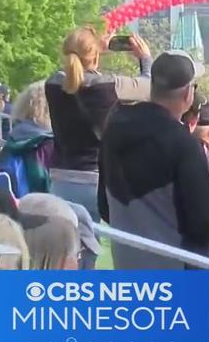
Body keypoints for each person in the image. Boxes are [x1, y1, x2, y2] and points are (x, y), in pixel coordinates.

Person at [98, 50, 209, 342]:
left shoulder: (113, 132)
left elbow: (104, 204)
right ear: (188, 95)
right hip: (179, 281)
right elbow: (202, 221)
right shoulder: (183, 145)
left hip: (128, 272)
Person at [45, 27, 152, 221]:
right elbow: (148, 86)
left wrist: (93, 51)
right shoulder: (107, 85)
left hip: (60, 178)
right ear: (94, 56)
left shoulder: (52, 83)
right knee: (89, 245)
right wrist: (145, 58)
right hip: (93, 179)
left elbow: (73, 75)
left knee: (65, 244)